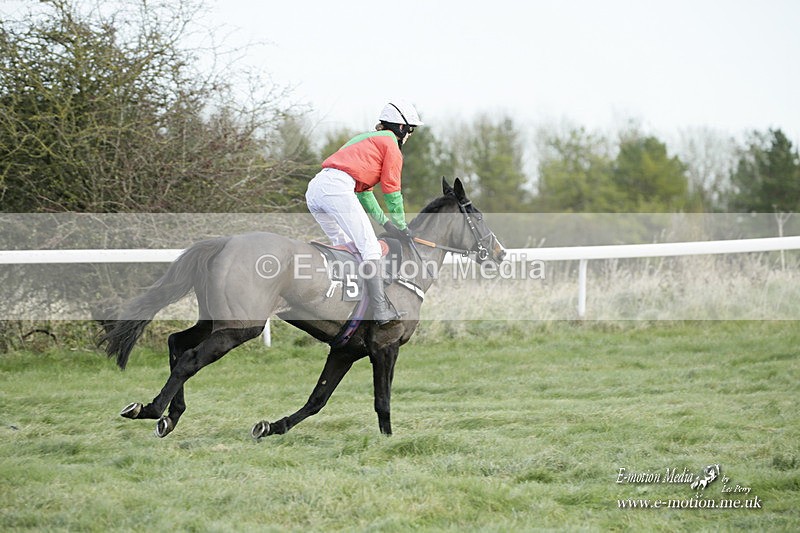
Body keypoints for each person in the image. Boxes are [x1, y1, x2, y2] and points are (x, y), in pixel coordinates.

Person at [305, 100, 423, 325]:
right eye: (410, 130)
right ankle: (380, 310)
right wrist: (400, 225)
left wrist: (385, 223)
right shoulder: (391, 146)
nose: (410, 135)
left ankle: (342, 302)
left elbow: (365, 193)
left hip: (316, 189)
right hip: (337, 188)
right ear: (401, 128)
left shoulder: (365, 140)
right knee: (370, 249)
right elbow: (392, 190)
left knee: (347, 246)